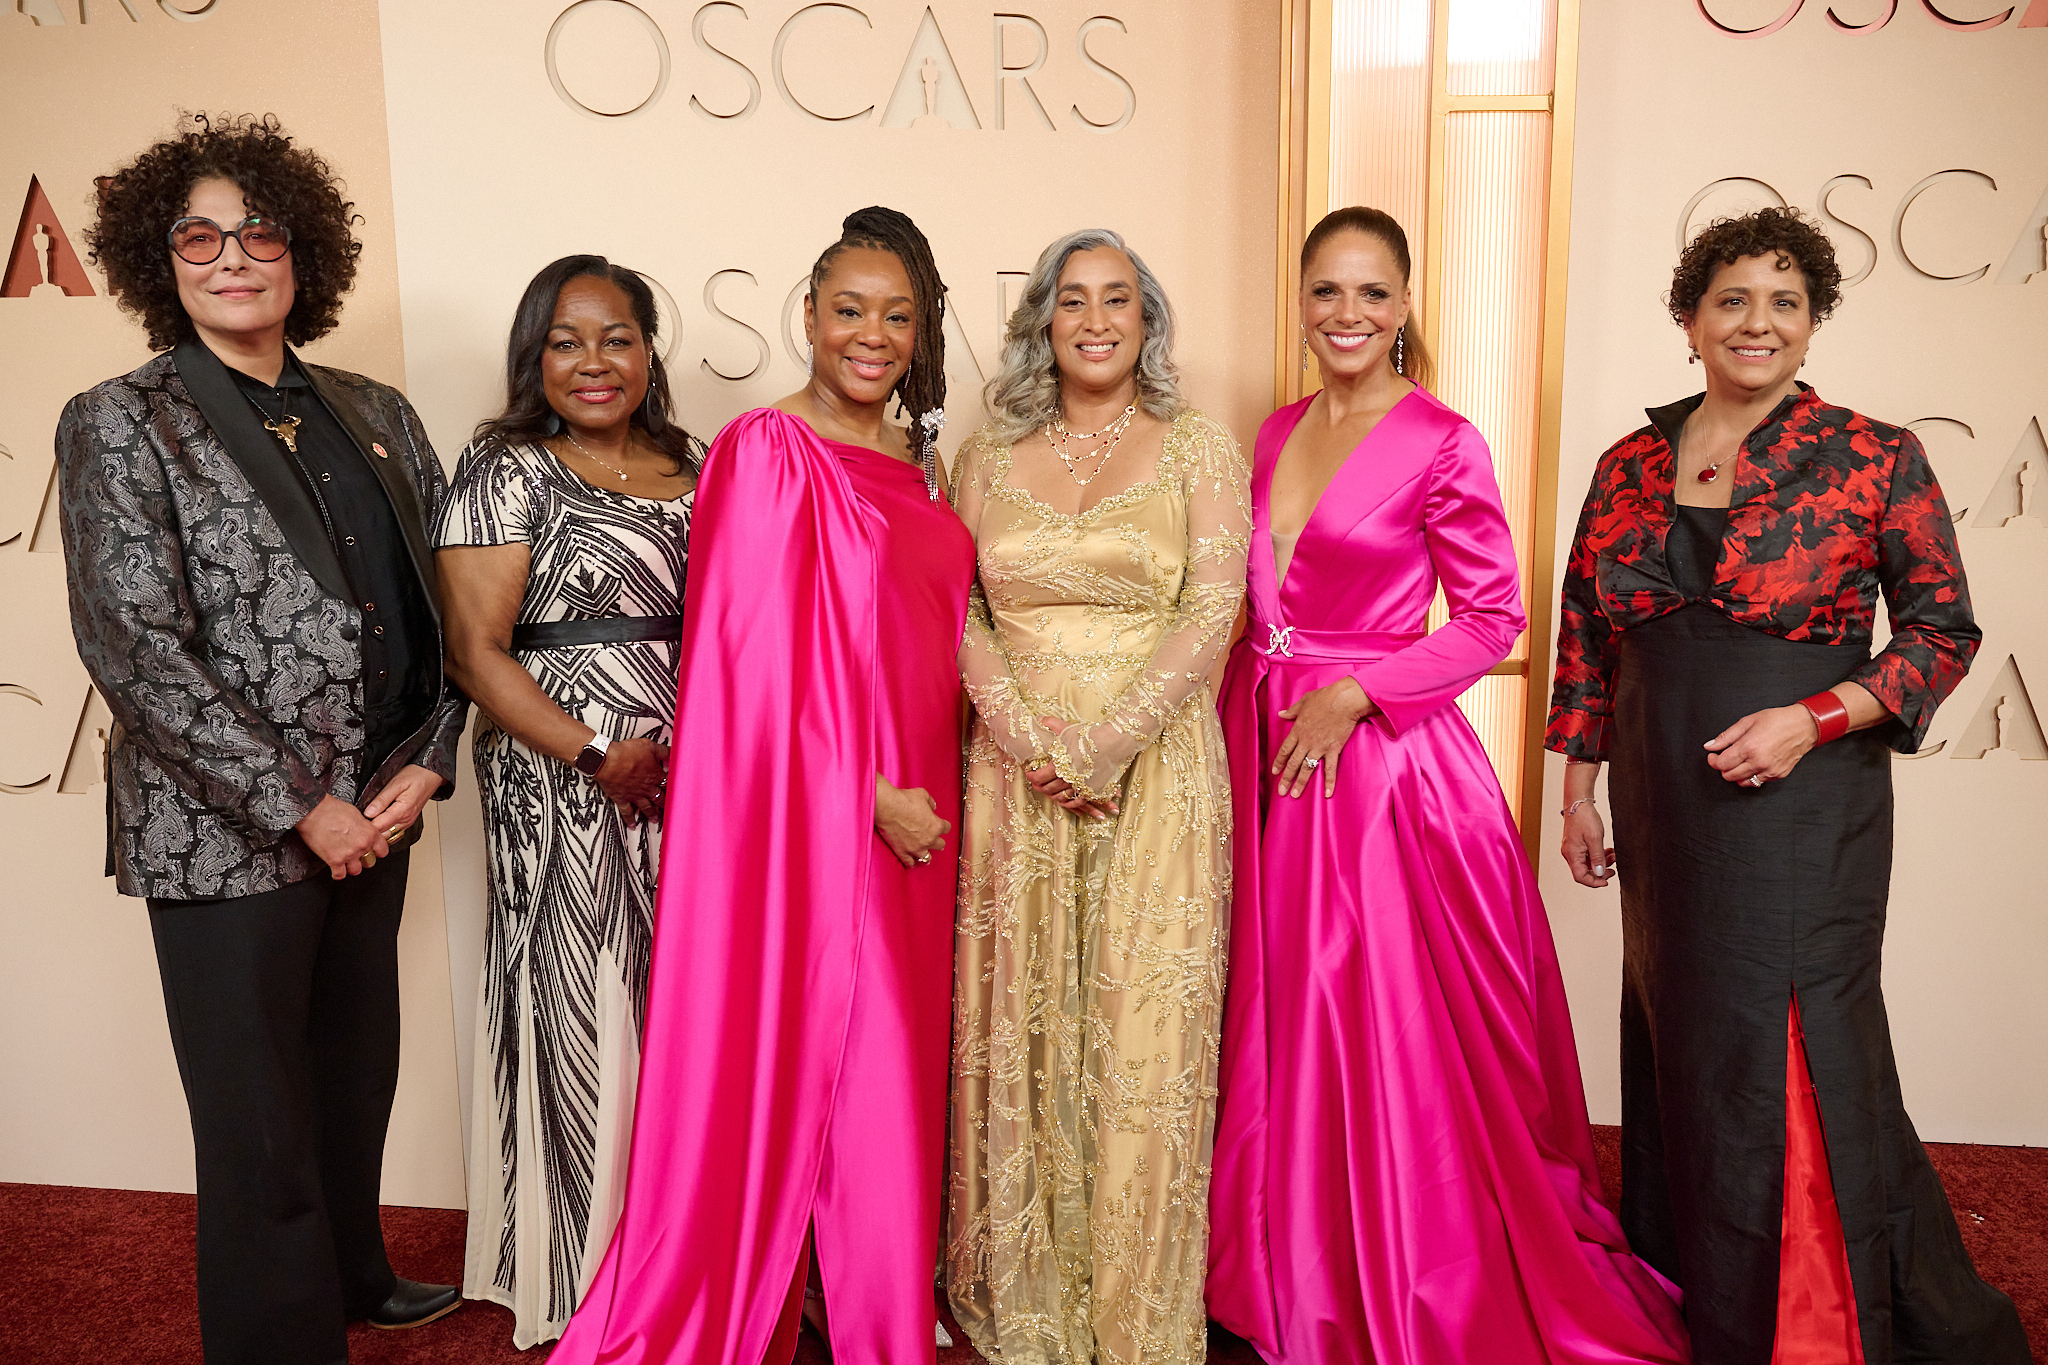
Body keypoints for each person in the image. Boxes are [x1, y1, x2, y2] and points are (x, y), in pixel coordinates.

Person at [1204, 206, 1690, 1365]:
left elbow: (1490, 619)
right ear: (1300, 300)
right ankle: (1274, 1256)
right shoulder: (1271, 434)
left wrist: (1358, 694)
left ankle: (1375, 1256)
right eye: (1326, 290)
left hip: (1375, 765)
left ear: (1404, 303)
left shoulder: (1441, 440)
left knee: (1363, 1015)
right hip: (1260, 740)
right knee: (1272, 1007)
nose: (1347, 314)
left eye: (1371, 292)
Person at [1547, 206, 2028, 1363]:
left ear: (1812, 323)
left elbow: (1941, 634)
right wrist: (1576, 790)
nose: (1754, 323)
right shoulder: (1625, 463)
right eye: (1731, 300)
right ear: (1687, 319)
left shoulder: (1873, 454)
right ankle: (1702, 1286)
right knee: (1683, 1033)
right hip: (1659, 792)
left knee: (1792, 1034)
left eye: (1783, 302)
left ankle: (1811, 1318)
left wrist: (1811, 720)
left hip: (1802, 799)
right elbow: (1584, 636)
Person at [52, 114, 466, 1363]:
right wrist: (301, 806)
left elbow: (447, 612)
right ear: (160, 260)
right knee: (257, 1119)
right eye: (199, 236)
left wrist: (430, 756)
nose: (232, 256)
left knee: (352, 1075)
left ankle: (352, 1274)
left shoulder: (374, 410)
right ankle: (276, 1338)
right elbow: (135, 646)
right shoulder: (122, 419)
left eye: (259, 231)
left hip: (379, 808)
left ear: (303, 251)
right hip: (226, 834)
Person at [549, 207, 973, 1365]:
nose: (871, 335)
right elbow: (746, 668)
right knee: (849, 1047)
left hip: (930, 797)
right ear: (808, 317)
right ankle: (864, 1318)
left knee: (893, 1058)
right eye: (848, 311)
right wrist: (867, 797)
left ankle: (862, 1292)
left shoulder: (920, 463)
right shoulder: (766, 449)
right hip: (835, 811)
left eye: (896, 317)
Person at [945, 228, 1249, 1365]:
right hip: (1013, 769)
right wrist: (1024, 734)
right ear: (1042, 320)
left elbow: (1214, 606)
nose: (1095, 319)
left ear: (1147, 319)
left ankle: (1134, 1311)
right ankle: (1023, 1286)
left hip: (1154, 766)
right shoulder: (983, 454)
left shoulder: (1198, 444)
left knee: (1141, 1032)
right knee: (1020, 1019)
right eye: (1071, 300)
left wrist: (1109, 743)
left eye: (1117, 298)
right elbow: (955, 606)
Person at [435, 256, 702, 1347]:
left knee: (682, 1011)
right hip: (564, 785)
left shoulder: (692, 462)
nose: (594, 362)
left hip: (693, 784)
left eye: (617, 337)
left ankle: (680, 1256)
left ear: (648, 349)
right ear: (532, 358)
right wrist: (597, 753)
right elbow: (473, 652)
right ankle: (578, 1274)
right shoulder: (504, 469)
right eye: (565, 341)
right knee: (577, 1005)